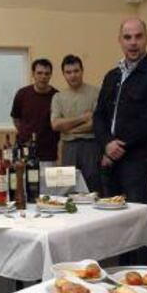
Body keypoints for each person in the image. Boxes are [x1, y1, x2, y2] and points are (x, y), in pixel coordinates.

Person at [93, 18, 147, 205]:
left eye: (138, 37)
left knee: (136, 220)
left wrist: (117, 148)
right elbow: (99, 115)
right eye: (127, 37)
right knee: (109, 220)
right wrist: (107, 144)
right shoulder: (112, 76)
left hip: (139, 164)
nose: (133, 42)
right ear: (120, 40)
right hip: (109, 162)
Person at [50, 55, 101, 193]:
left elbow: (94, 124)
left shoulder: (96, 93)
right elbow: (55, 125)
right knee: (66, 190)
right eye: (68, 72)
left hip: (91, 147)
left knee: (93, 188)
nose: (73, 75)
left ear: (82, 71)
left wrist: (69, 129)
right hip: (68, 148)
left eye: (76, 71)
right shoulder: (58, 97)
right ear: (64, 74)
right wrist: (82, 118)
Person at [10, 58, 59, 161]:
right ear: (33, 74)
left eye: (47, 73)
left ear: (50, 75)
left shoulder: (57, 96)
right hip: (24, 151)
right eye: (39, 73)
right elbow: (16, 119)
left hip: (48, 153)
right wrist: (25, 133)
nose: (43, 77)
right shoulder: (22, 94)